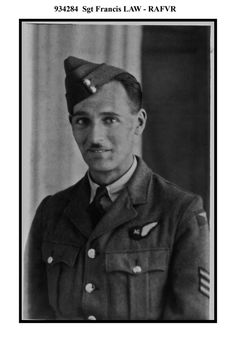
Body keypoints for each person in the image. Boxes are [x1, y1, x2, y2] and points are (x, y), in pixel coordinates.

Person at [24, 56, 210, 321]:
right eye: (82, 121)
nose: (95, 137)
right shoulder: (51, 212)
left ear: (139, 123)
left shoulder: (180, 213)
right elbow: (31, 317)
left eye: (110, 119)